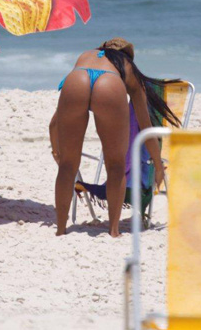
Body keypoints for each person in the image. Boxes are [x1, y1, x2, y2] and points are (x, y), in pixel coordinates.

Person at [49, 38, 180, 237]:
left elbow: (54, 122)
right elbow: (146, 127)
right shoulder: (126, 66)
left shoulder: (86, 56)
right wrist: (158, 164)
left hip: (76, 79)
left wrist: (55, 147)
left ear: (103, 47)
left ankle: (60, 230)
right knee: (116, 165)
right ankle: (113, 230)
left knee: (67, 165)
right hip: (109, 84)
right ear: (127, 56)